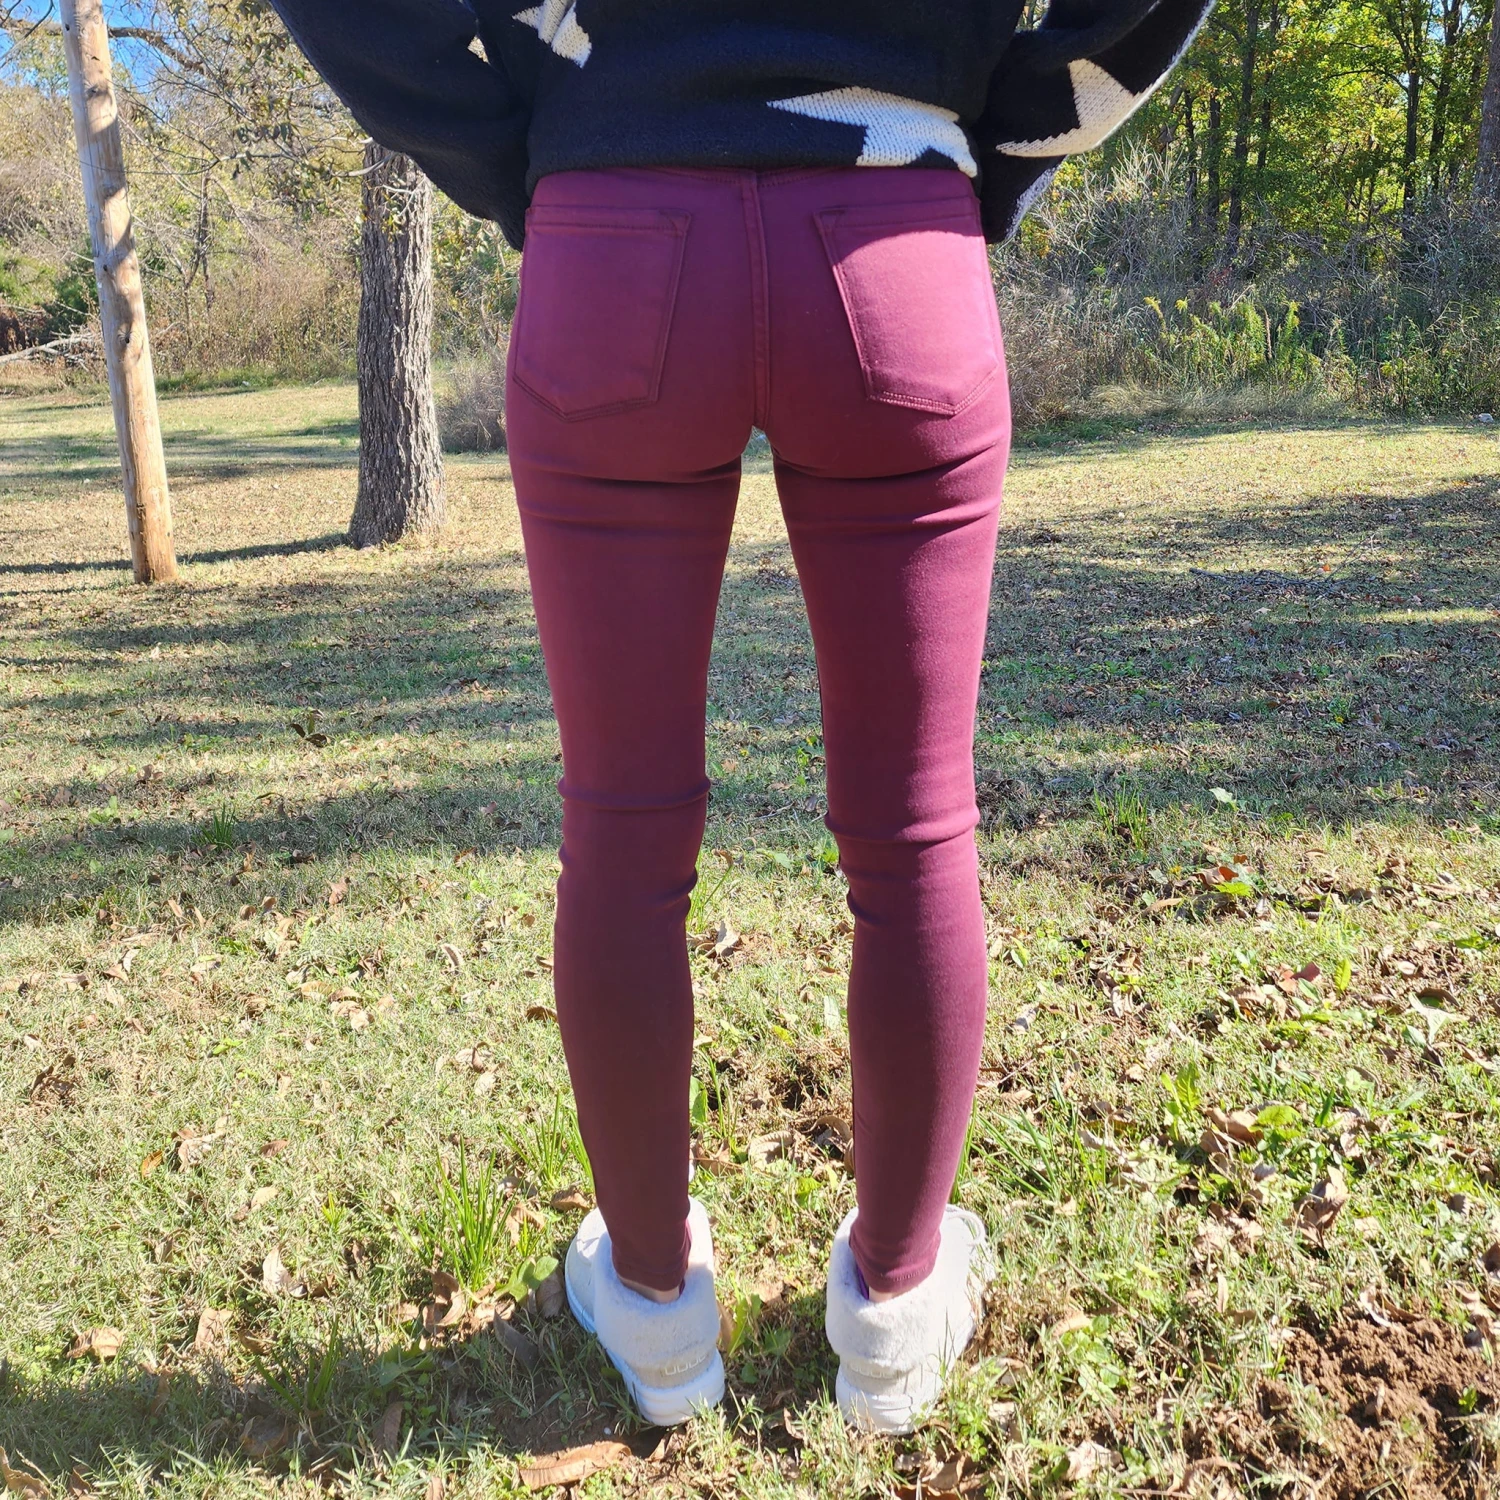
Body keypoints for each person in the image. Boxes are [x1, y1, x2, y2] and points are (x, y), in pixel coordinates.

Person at [269, 0, 1209, 1435]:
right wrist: (999, 124)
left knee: (622, 833)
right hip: (897, 227)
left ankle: (655, 1310)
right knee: (915, 830)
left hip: (611, 228)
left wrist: (529, 141)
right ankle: (894, 1314)